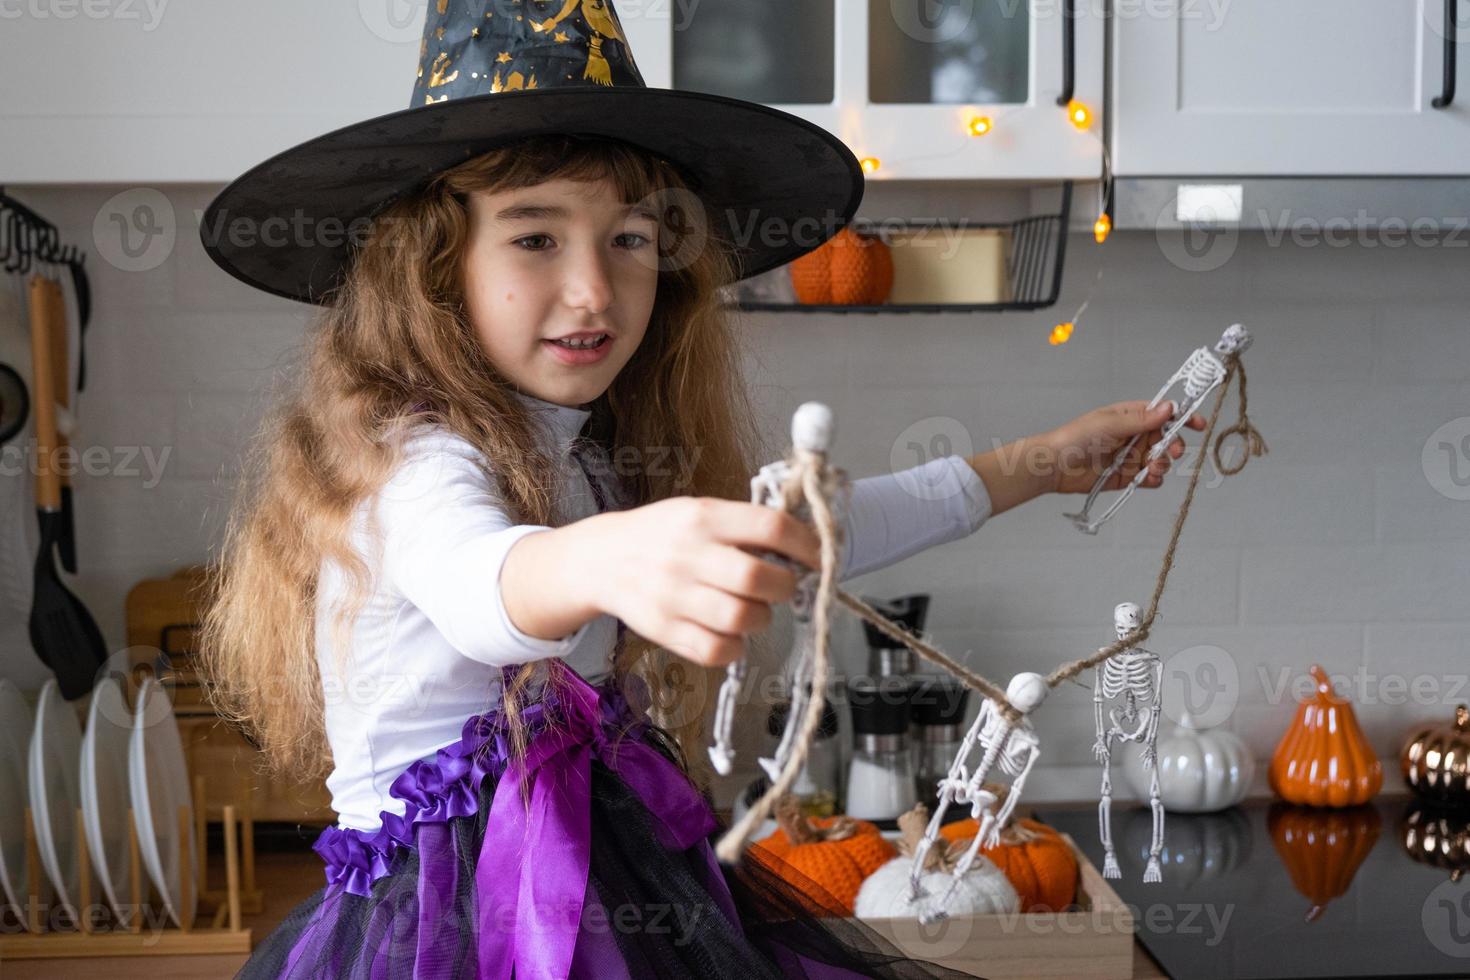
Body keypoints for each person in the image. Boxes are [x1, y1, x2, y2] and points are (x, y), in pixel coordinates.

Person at [196, 2, 1201, 976]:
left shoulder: (588, 456)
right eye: (536, 237)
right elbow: (481, 583)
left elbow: (804, 533)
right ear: (431, 265)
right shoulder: (410, 457)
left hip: (608, 901)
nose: (594, 288)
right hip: (447, 936)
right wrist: (610, 555)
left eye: (629, 238)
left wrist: (1041, 462)